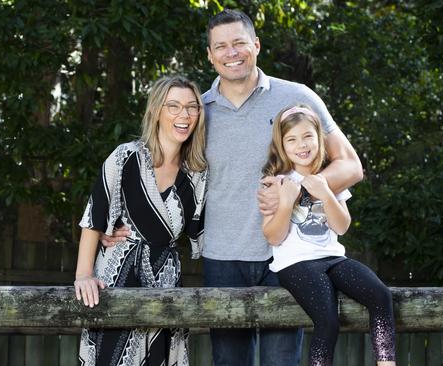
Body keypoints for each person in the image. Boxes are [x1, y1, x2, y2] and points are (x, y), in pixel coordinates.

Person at [101, 9, 363, 366]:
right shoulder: (197, 113)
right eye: (220, 46)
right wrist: (120, 227)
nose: (231, 52)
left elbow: (350, 165)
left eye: (239, 43)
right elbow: (164, 174)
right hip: (221, 258)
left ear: (255, 45)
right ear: (210, 55)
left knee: (281, 362)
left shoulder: (296, 97)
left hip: (289, 256)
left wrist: (295, 188)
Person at [73, 75, 208, 366]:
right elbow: (94, 217)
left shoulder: (197, 173)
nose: (183, 115)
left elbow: (204, 231)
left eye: (191, 107)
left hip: (165, 284)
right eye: (173, 106)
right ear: (156, 111)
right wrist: (84, 275)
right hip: (115, 279)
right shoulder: (126, 157)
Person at [262, 104, 396, 366]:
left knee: (381, 296)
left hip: (332, 258)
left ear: (319, 138)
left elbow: (342, 226)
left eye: (307, 136)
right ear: (282, 145)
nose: (301, 145)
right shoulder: (275, 182)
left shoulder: (329, 177)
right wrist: (287, 203)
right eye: (292, 139)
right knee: (328, 321)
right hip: (295, 263)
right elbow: (273, 237)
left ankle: (387, 363)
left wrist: (324, 192)